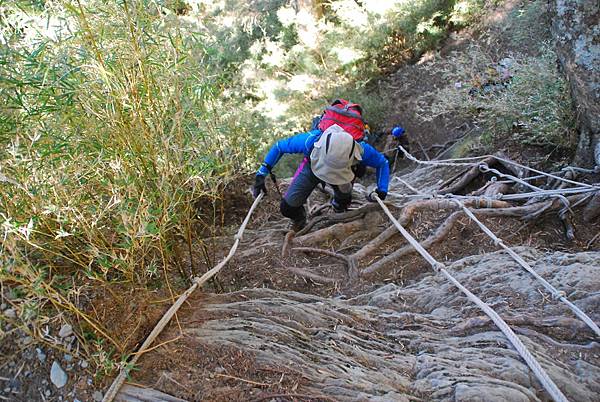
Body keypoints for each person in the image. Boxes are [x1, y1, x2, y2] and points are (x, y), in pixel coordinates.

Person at [252, 100, 390, 232]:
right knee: (287, 208)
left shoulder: (360, 149)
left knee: (344, 200)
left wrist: (382, 189)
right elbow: (278, 147)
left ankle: (338, 208)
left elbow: (382, 163)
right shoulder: (312, 140)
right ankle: (300, 220)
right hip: (314, 168)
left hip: (332, 168)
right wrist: (261, 174)